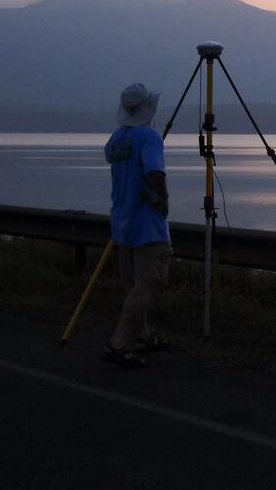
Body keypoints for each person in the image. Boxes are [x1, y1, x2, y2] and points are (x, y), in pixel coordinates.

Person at [102, 83, 172, 367]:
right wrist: (163, 199)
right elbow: (154, 170)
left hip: (122, 222)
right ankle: (120, 344)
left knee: (132, 283)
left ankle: (142, 335)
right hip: (146, 225)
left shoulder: (118, 137)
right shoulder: (150, 136)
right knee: (148, 282)